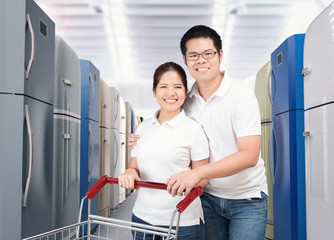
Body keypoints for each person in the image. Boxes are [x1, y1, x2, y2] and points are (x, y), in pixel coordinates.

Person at [129, 25, 268, 240]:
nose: (201, 60)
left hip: (246, 198)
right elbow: (168, 131)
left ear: (220, 55)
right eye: (193, 55)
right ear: (185, 60)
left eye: (208, 53)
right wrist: (139, 141)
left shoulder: (241, 95)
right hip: (206, 197)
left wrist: (197, 173)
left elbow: (249, 156)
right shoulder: (187, 100)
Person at [119, 61, 210, 240]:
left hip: (182, 222)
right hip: (142, 219)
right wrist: (129, 173)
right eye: (163, 87)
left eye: (177, 87)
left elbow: (204, 178)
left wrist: (187, 182)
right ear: (154, 92)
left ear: (185, 92)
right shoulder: (142, 128)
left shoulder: (194, 130)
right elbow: (134, 167)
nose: (171, 93)